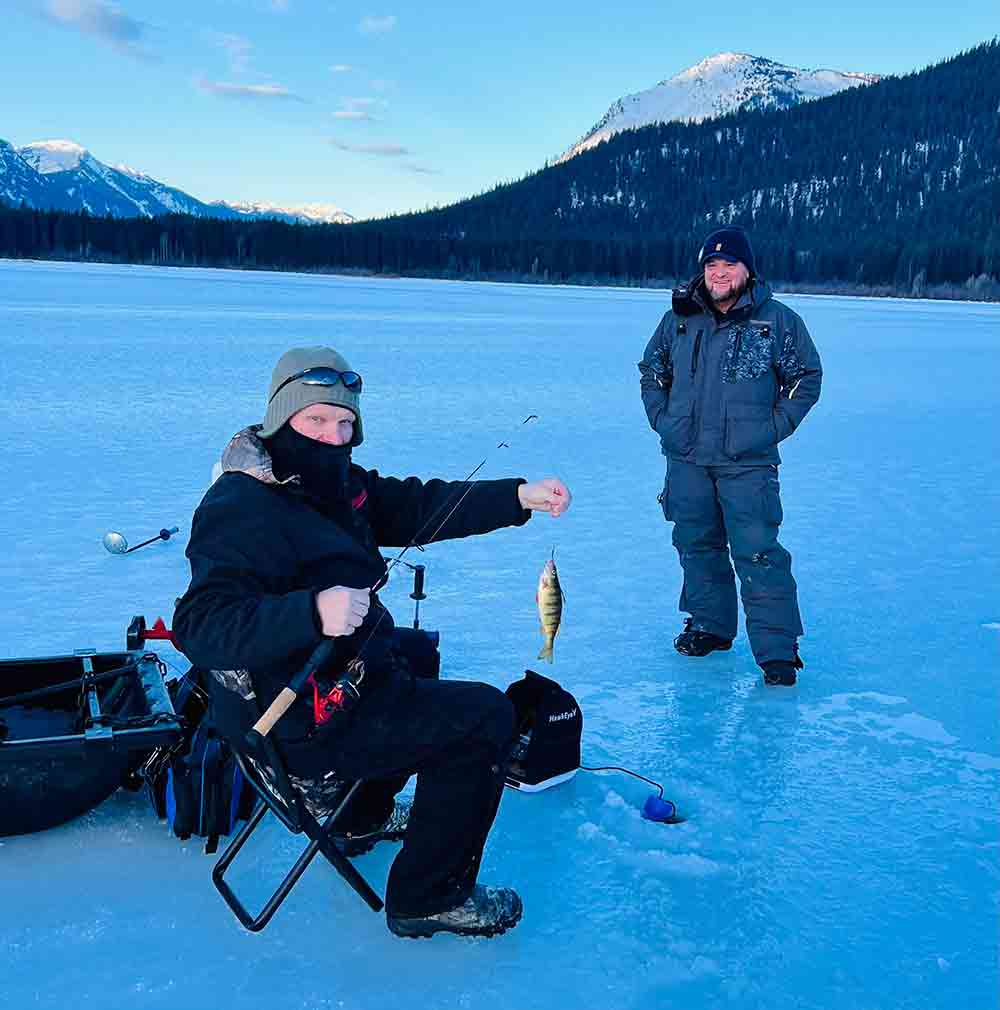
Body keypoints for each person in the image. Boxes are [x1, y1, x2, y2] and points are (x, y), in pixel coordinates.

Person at [173, 346, 571, 938]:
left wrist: (517, 498)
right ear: (281, 418)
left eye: (344, 423)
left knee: (416, 653)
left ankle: (359, 818)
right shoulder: (242, 503)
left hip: (332, 679)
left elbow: (418, 505)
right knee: (486, 716)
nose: (333, 437)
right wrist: (312, 611)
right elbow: (199, 624)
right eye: (316, 420)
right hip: (293, 720)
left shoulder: (333, 483)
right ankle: (428, 897)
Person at [638, 226, 822, 687]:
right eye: (711, 265)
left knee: (758, 552)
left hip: (747, 463)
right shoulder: (679, 319)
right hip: (686, 458)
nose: (719, 273)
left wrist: (770, 429)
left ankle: (777, 652)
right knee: (695, 544)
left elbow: (806, 378)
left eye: (729, 265)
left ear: (747, 271)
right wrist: (664, 420)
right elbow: (652, 370)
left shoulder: (776, 321)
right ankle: (710, 626)